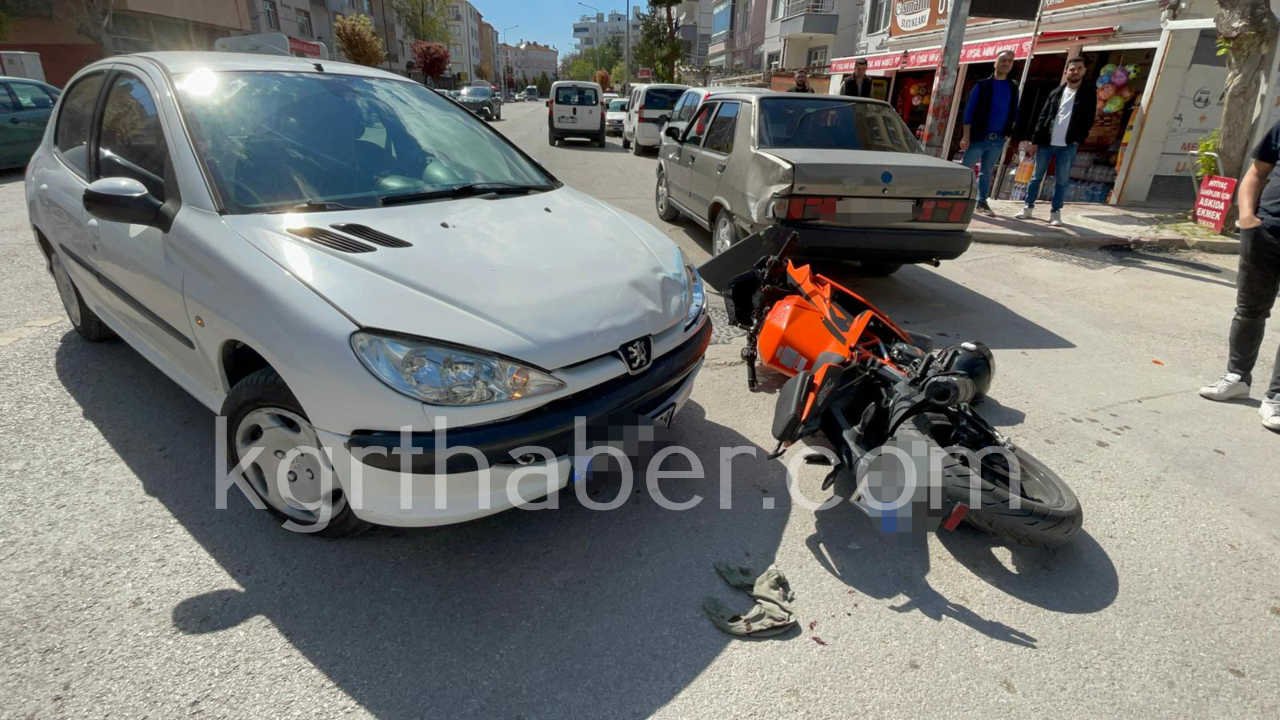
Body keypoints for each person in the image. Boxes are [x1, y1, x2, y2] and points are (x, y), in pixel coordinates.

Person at [1199, 120, 1280, 432]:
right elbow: (1257, 173)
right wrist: (1246, 216)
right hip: (1266, 233)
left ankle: (1276, 397)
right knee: (1249, 310)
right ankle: (1236, 377)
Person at [1016, 57, 1097, 226]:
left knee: (1061, 180)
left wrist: (1078, 138)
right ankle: (1028, 208)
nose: (1075, 72)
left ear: (1084, 71)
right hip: (1047, 142)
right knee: (1036, 177)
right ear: (1066, 71)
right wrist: (1035, 140)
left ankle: (1055, 212)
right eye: (1072, 69)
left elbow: (1089, 119)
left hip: (1068, 144)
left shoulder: (1088, 94)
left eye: (1079, 69)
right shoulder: (1055, 93)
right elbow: (1043, 116)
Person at [958, 50, 1021, 216]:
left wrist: (1009, 133)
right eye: (1003, 60)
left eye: (1009, 61)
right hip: (979, 136)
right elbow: (969, 112)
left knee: (987, 171)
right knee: (966, 169)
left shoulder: (1013, 87)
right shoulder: (982, 85)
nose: (1006, 63)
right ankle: (957, 199)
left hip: (998, 139)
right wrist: (966, 136)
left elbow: (1013, 112)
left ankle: (982, 202)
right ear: (995, 63)